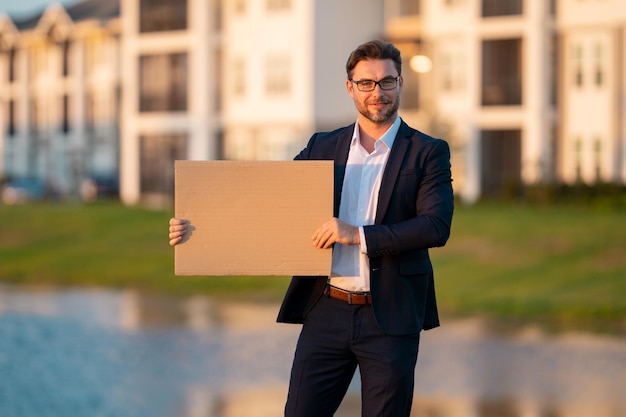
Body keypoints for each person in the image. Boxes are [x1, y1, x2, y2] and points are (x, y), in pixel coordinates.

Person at [169, 40, 454, 417]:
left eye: (387, 82)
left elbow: (435, 226)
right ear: (350, 87)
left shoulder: (427, 151)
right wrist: (199, 225)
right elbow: (270, 202)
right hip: (327, 310)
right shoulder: (323, 146)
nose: (378, 92)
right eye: (366, 83)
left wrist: (359, 234)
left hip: (391, 315)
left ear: (400, 83)